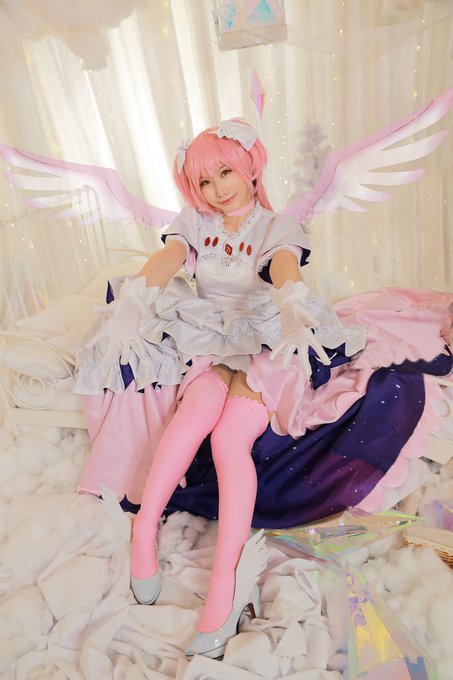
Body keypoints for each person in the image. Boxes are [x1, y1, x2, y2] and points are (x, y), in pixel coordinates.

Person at [74, 118, 452, 658]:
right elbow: (170, 257)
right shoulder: (194, 223)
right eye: (204, 181)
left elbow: (282, 266)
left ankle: (225, 584)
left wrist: (292, 300)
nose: (217, 189)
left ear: (249, 167)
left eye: (225, 173)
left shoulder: (278, 225)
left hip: (267, 340)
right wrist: (137, 294)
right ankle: (143, 534)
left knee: (230, 439)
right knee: (194, 411)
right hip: (209, 334)